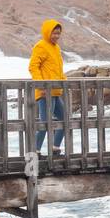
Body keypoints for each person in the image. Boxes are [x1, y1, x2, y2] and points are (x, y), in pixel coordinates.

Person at [30, 19, 66, 155]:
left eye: (58, 33)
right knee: (44, 124)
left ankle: (55, 148)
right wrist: (41, 85)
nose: (56, 36)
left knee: (64, 120)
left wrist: (64, 81)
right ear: (47, 32)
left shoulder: (56, 48)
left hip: (56, 91)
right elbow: (33, 67)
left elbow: (57, 69)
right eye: (54, 33)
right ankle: (35, 151)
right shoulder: (41, 46)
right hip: (45, 93)